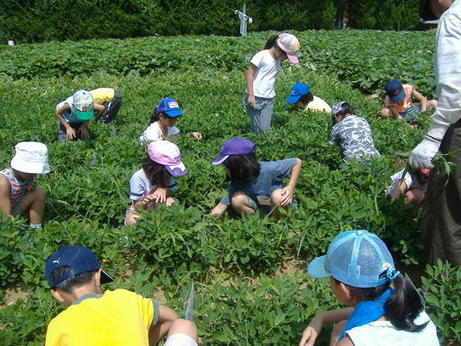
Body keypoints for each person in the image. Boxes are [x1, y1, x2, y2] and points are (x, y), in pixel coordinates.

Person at [300, 230, 439, 346]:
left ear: (344, 289)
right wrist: (321, 318)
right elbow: (366, 312)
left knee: (339, 331)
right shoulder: (415, 312)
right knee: (341, 326)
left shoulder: (355, 341)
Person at [44, 245, 198, 346]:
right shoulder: (125, 299)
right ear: (97, 277)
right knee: (185, 325)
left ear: (56, 294)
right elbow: (171, 317)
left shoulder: (57, 325)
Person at [409, 0, 461, 265]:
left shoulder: (454, 17)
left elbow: (455, 90)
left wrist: (432, 138)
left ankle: (446, 288)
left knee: (447, 211)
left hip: (458, 124)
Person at [209, 137, 302, 217]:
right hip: (260, 207)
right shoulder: (236, 182)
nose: (225, 170)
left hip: (279, 205)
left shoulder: (268, 169)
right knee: (236, 199)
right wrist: (206, 224)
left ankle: (281, 223)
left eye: (227, 166)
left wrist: (290, 187)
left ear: (238, 166)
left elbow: (297, 162)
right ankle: (258, 222)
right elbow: (220, 208)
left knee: (277, 196)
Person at [244, 33, 300, 133]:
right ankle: (252, 145)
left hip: (268, 98)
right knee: (257, 131)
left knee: (265, 130)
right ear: (280, 50)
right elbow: (249, 74)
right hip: (256, 96)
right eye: (286, 56)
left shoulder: (277, 59)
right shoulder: (262, 55)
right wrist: (251, 95)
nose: (286, 59)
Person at [125, 140, 188, 226]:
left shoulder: (168, 174)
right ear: (156, 168)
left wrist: (164, 189)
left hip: (160, 206)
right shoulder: (138, 177)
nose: (169, 175)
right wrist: (145, 203)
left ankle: (169, 223)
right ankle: (147, 227)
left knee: (171, 202)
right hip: (143, 210)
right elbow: (137, 207)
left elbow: (170, 193)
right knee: (132, 219)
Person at [0, 142, 50, 229]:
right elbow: (4, 214)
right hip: (3, 213)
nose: (33, 174)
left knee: (38, 193)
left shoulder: (26, 176)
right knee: (6, 219)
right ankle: (17, 230)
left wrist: (27, 186)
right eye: (30, 170)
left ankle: (35, 228)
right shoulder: (3, 182)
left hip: (16, 208)